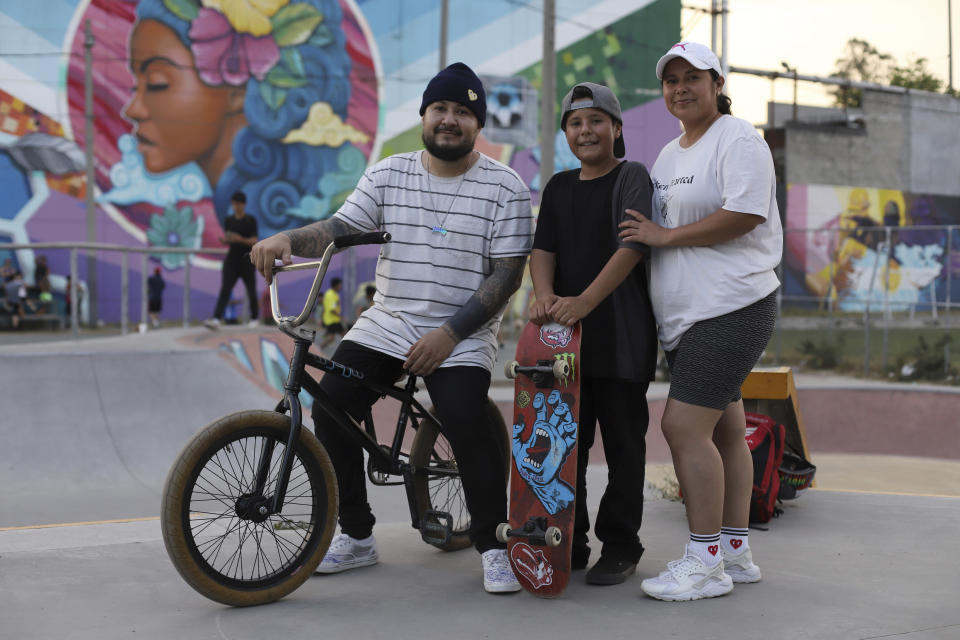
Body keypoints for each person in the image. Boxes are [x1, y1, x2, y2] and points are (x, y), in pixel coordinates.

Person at [251, 62, 533, 594]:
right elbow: (339, 228)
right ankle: (357, 536)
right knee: (330, 410)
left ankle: (495, 545)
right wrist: (288, 238)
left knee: (463, 416)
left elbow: (507, 277)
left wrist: (448, 336)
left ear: (478, 124)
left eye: (462, 113)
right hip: (389, 320)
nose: (449, 120)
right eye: (441, 109)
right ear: (425, 115)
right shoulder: (389, 172)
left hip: (463, 332)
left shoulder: (505, 186)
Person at [619, 42, 783, 601]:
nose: (681, 88)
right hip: (689, 316)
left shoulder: (737, 139)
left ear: (717, 83)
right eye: (671, 80)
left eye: (694, 77)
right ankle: (734, 552)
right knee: (726, 430)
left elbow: (745, 213)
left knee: (682, 428)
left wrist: (665, 236)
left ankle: (704, 559)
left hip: (730, 306)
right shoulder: (668, 155)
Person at [528, 82, 657, 585]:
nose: (586, 131)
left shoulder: (632, 177)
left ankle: (622, 545)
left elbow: (632, 248)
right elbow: (544, 251)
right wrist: (543, 294)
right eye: (576, 123)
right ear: (566, 133)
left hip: (621, 341)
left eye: (596, 121)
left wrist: (583, 301)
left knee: (625, 449)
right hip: (563, 347)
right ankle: (570, 541)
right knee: (565, 453)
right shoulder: (559, 187)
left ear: (616, 128)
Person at [205, 191, 259, 329]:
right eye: (234, 203)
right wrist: (225, 240)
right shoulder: (229, 220)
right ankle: (216, 318)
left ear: (244, 204)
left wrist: (239, 239)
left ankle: (254, 318)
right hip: (232, 259)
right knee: (225, 289)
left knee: (251, 289)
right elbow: (228, 237)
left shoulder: (250, 220)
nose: (236, 206)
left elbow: (254, 240)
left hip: (247, 259)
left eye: (239, 203)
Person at [318, 277, 345, 350]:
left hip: (334, 320)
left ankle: (349, 347)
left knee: (344, 335)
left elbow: (326, 306)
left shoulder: (331, 293)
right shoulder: (332, 295)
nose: (341, 286)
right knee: (332, 338)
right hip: (332, 320)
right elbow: (331, 310)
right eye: (340, 284)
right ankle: (319, 348)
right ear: (336, 285)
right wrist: (341, 317)